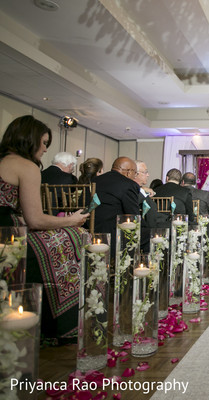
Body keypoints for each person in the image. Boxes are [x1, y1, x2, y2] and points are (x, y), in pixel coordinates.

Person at [0, 115, 88, 341]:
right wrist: (71, 221)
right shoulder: (26, 166)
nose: (45, 149)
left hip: (10, 231)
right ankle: (62, 323)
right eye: (44, 142)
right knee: (75, 237)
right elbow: (36, 220)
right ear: (30, 140)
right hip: (7, 237)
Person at [92, 157, 140, 255]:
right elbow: (133, 215)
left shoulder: (94, 181)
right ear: (129, 172)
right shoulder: (129, 185)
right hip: (114, 235)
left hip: (87, 231)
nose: (135, 177)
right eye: (135, 173)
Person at [134, 160, 168, 252]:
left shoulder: (142, 190)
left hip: (155, 221)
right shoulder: (133, 191)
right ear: (135, 174)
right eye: (145, 172)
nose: (148, 175)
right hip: (149, 226)